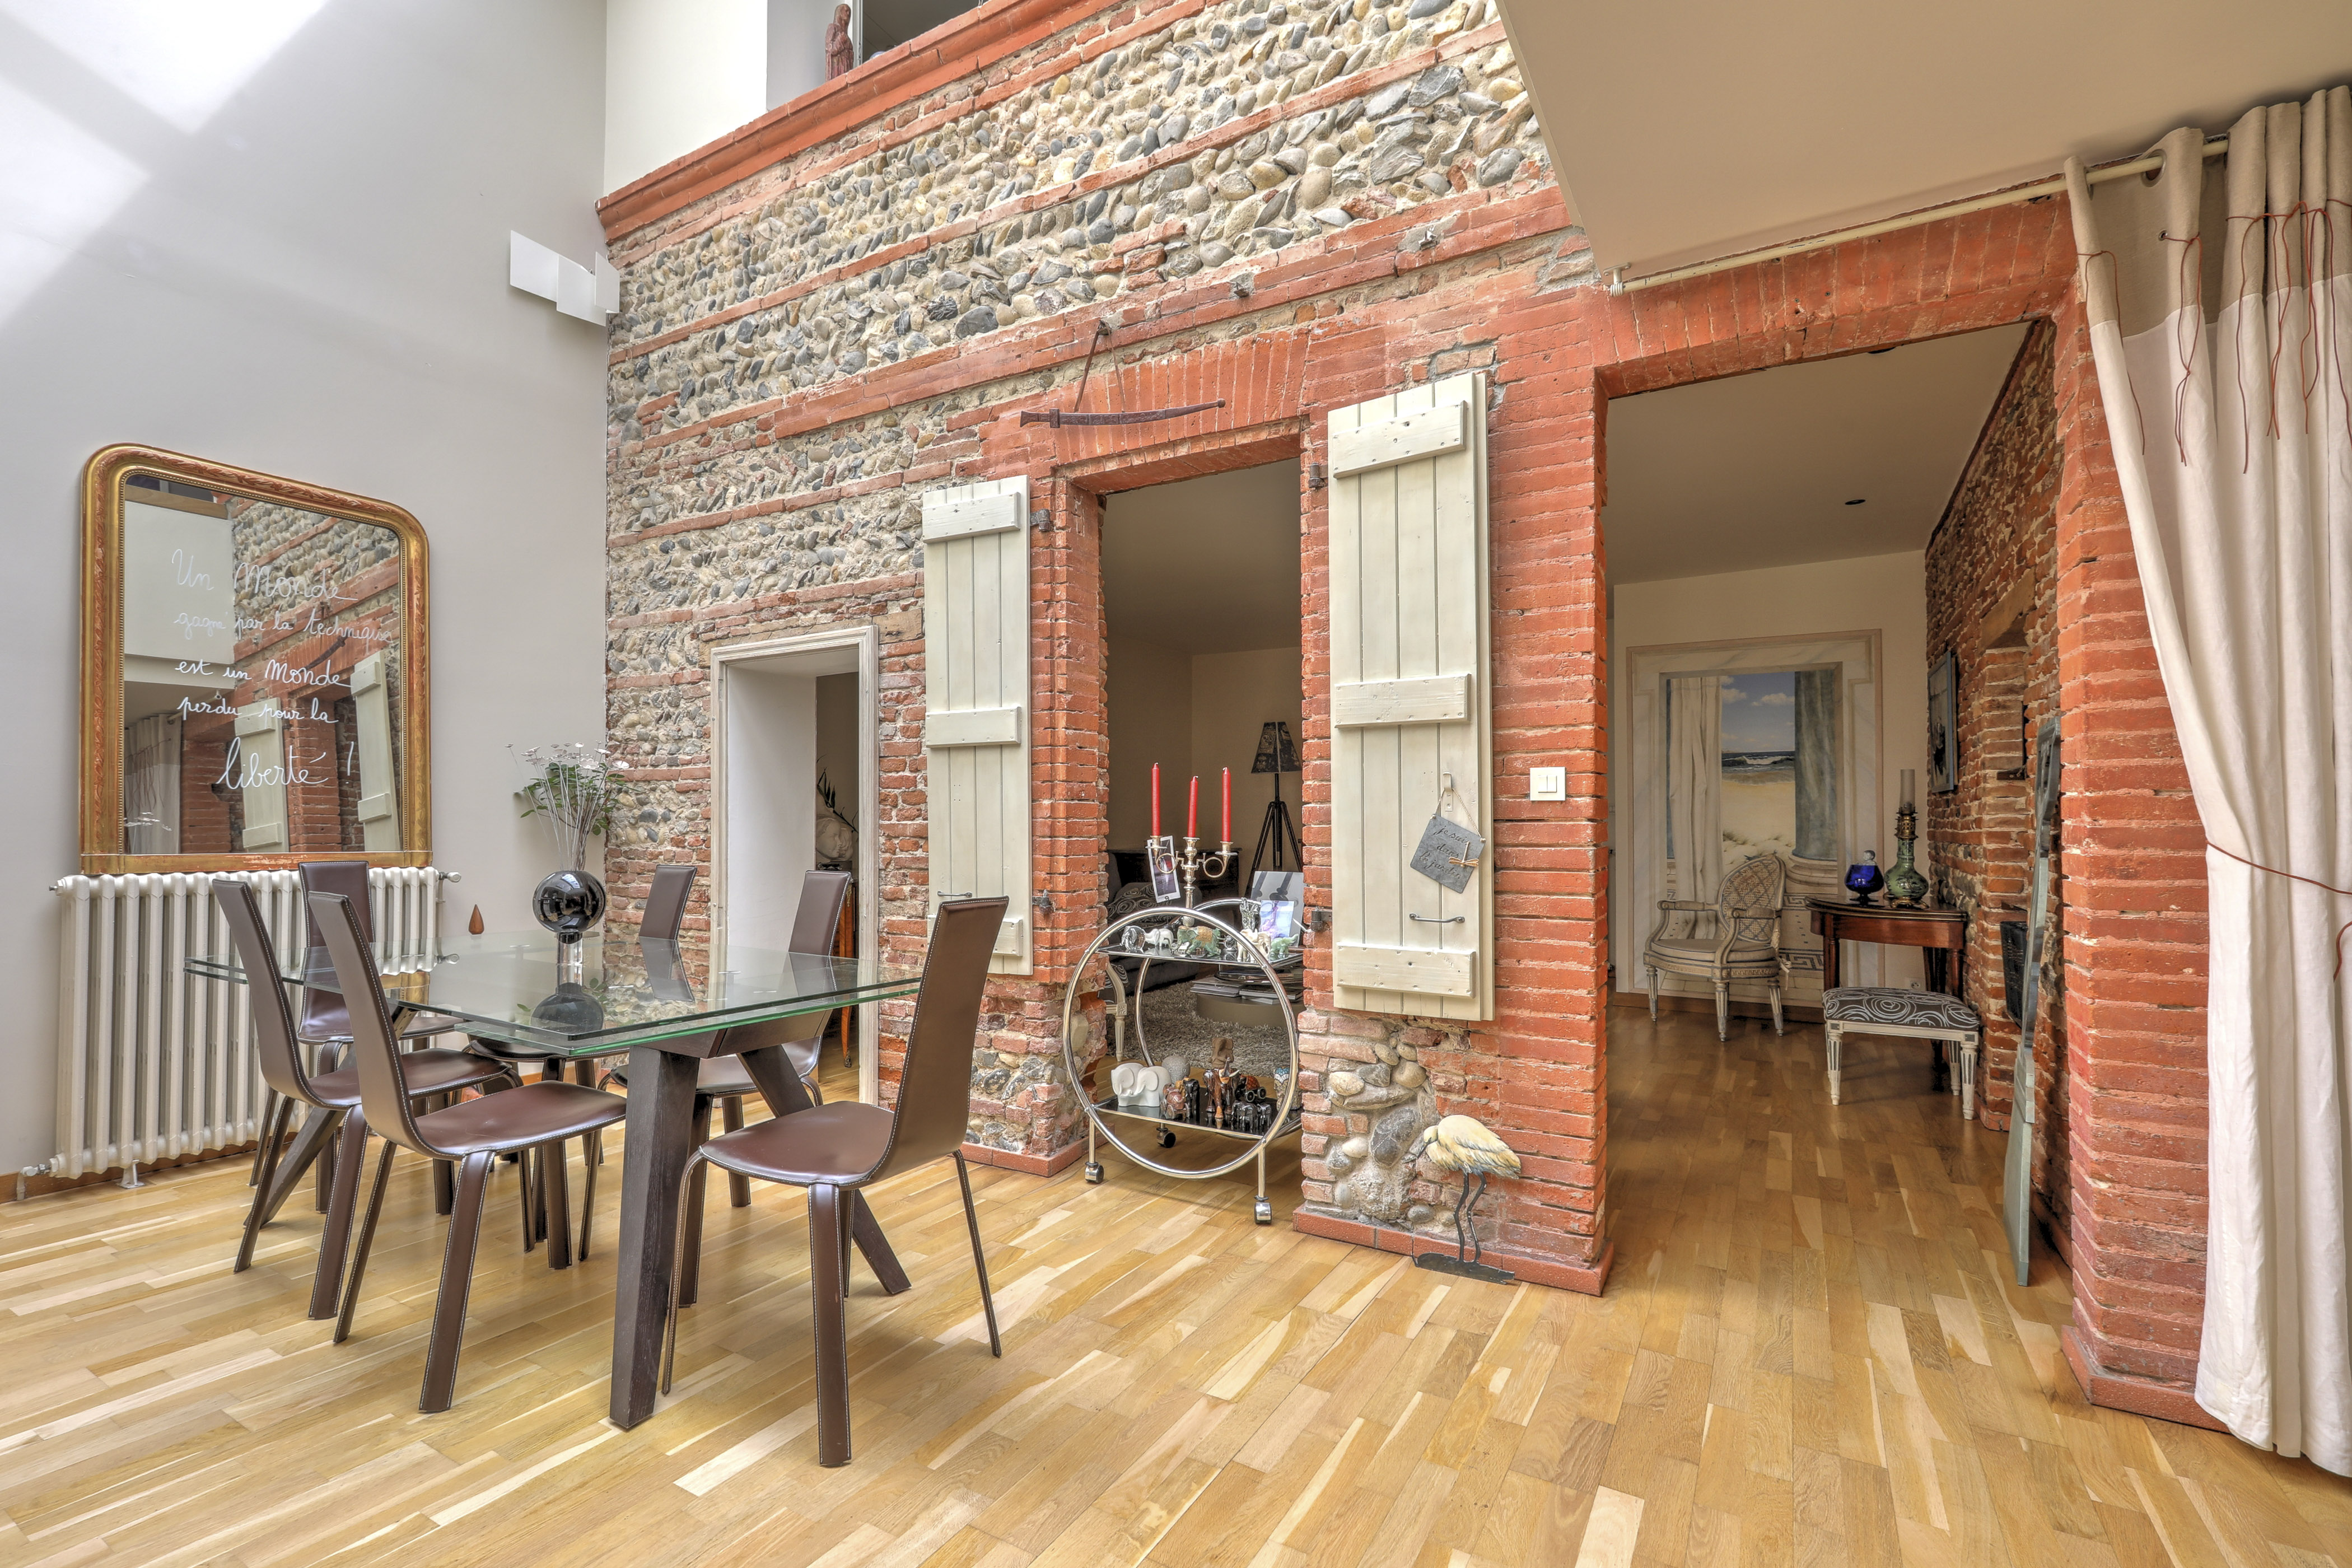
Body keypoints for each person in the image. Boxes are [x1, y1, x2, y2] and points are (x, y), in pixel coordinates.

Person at [825, 2, 853, 79]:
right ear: (840, 12)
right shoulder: (833, 28)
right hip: (837, 67)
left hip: (846, 67)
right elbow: (830, 49)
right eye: (846, 11)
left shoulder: (847, 37)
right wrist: (840, 41)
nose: (848, 14)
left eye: (849, 12)